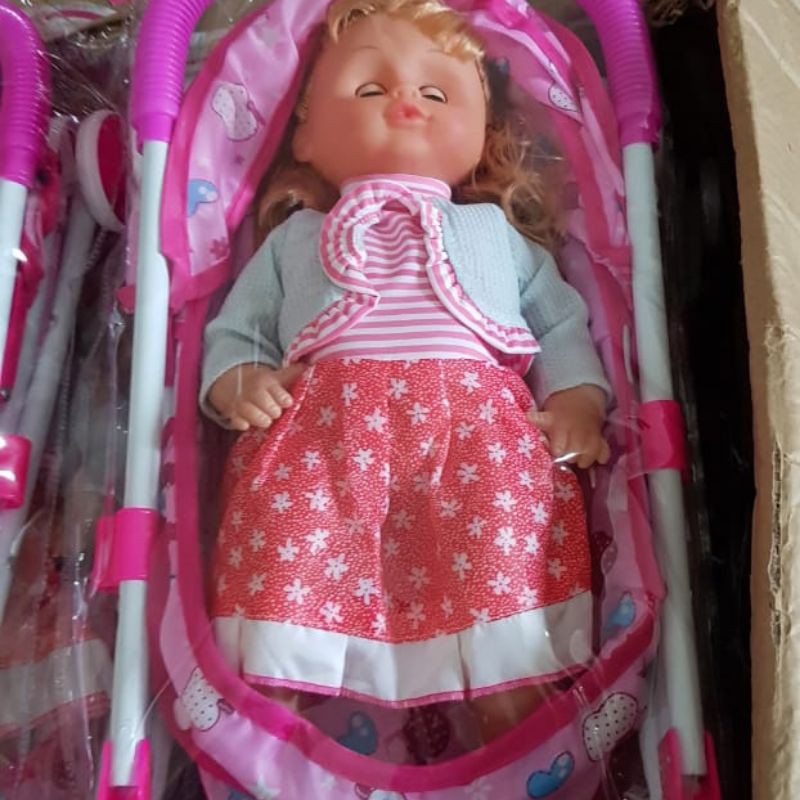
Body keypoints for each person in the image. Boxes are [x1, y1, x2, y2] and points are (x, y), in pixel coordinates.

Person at [201, 0, 610, 742]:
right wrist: (239, 380)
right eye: (369, 88)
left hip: (477, 448)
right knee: (288, 557)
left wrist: (578, 398)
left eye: (436, 91)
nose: (405, 101)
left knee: (499, 567)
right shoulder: (297, 239)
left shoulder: (493, 232)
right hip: (321, 449)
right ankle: (267, 735)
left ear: (484, 132)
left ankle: (515, 738)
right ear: (305, 136)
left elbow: (559, 323)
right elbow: (237, 329)